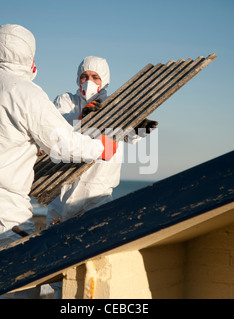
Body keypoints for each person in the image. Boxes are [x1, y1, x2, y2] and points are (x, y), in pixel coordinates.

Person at [0, 25, 117, 299]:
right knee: (19, 290)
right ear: (29, 56)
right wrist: (99, 147)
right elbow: (61, 142)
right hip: (1, 210)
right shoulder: (25, 92)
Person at [46, 56, 157, 298]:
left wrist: (138, 126)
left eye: (95, 77)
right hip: (61, 193)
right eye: (84, 76)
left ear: (104, 80)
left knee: (94, 259)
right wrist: (82, 118)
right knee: (57, 264)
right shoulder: (65, 100)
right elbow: (55, 132)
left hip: (98, 194)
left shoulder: (114, 103)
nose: (89, 81)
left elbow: (131, 135)